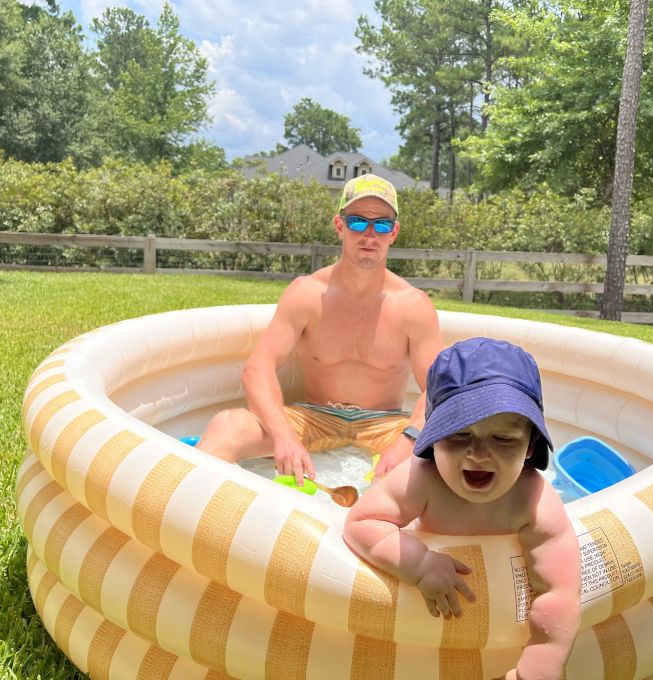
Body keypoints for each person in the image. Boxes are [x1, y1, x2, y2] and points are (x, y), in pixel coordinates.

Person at [343, 337, 581, 680]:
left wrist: (543, 663)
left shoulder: (533, 498)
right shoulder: (420, 479)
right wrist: (420, 563)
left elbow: (559, 591)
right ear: (432, 437)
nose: (479, 453)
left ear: (530, 447)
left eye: (502, 439)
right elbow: (362, 521)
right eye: (458, 434)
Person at [197, 173, 442, 484]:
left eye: (381, 224)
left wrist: (409, 438)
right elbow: (258, 369)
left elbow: (436, 387)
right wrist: (284, 437)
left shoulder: (413, 305)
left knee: (447, 452)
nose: (369, 234)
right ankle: (206, 525)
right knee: (226, 426)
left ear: (393, 233)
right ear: (339, 226)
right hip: (315, 418)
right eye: (357, 222)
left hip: (386, 424)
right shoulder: (306, 294)